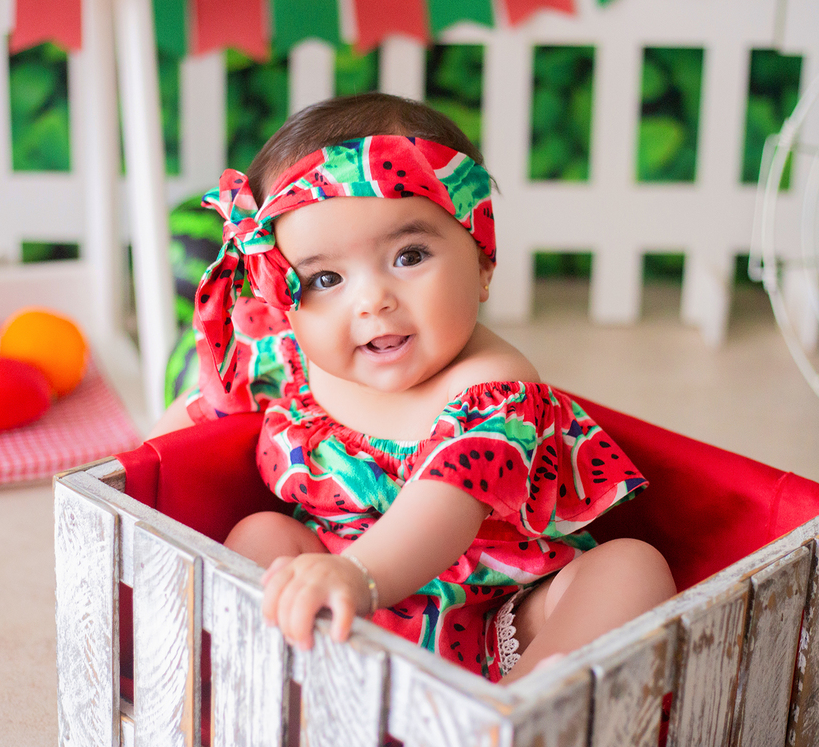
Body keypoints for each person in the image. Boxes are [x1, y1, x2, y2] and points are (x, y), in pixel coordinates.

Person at [149, 92, 675, 683]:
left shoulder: (493, 389)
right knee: (260, 535)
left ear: (482, 261)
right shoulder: (287, 354)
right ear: (285, 302)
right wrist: (128, 478)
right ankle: (278, 686)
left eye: (409, 255)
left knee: (631, 567)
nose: (373, 299)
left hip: (498, 623)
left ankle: (516, 711)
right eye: (325, 278)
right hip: (336, 615)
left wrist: (363, 576)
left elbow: (444, 508)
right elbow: (196, 413)